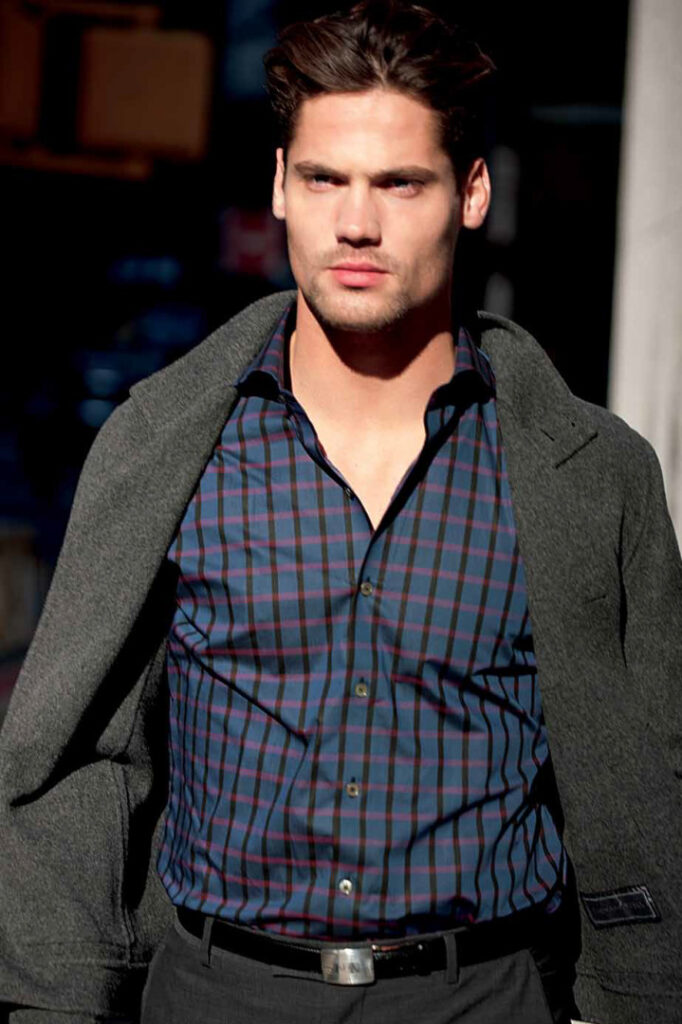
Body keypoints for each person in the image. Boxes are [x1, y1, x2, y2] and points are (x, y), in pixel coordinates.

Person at [1, 1, 680, 1022]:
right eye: (325, 179)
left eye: (400, 182)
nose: (356, 223)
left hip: (483, 995)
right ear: (280, 183)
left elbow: (655, 763)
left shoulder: (589, 475)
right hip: (217, 993)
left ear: (471, 193)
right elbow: (81, 753)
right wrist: (56, 1001)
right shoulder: (165, 445)